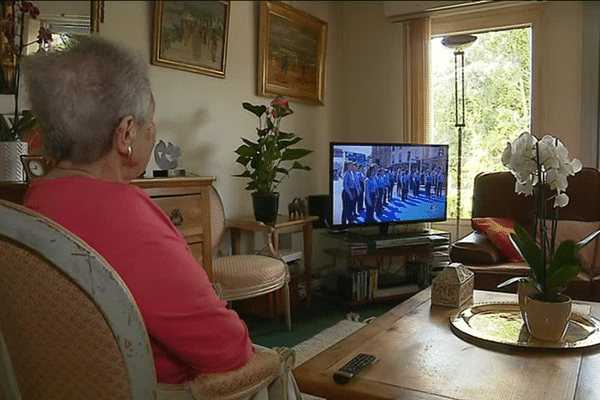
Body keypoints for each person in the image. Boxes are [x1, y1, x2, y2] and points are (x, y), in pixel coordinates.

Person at [20, 36, 299, 396]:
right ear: (125, 134)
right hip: (156, 388)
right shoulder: (123, 210)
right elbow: (227, 349)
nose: (153, 132)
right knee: (275, 366)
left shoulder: (35, 200)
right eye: (149, 122)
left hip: (68, 385)